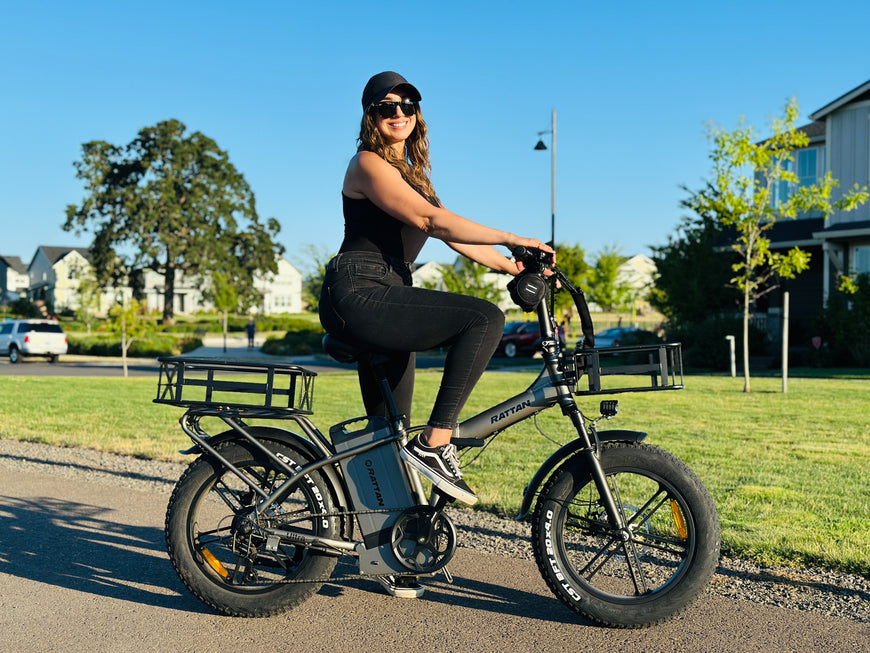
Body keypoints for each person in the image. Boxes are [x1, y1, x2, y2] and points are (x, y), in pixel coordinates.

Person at [318, 72, 552, 596]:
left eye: (408, 105)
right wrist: (514, 236)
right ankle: (437, 442)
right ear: (370, 115)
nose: (398, 113)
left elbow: (451, 233)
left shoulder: (411, 174)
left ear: (418, 113)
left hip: (388, 290)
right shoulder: (367, 164)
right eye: (387, 107)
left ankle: (392, 555)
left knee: (387, 435)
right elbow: (433, 222)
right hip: (359, 290)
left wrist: (514, 265)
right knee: (483, 319)